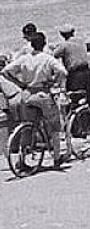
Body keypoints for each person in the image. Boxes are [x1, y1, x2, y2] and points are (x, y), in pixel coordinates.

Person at [2, 32, 68, 165]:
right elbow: (63, 72)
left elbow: (5, 71)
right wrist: (54, 81)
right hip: (42, 94)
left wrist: (19, 83)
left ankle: (21, 161)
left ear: (31, 45)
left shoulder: (24, 58)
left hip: (26, 94)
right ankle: (56, 157)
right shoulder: (47, 58)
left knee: (27, 126)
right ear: (44, 44)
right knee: (55, 125)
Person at [52, 25, 90, 106]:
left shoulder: (64, 45)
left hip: (75, 74)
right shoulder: (81, 41)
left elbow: (55, 54)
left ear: (62, 35)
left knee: (74, 97)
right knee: (88, 96)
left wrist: (54, 47)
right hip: (87, 72)